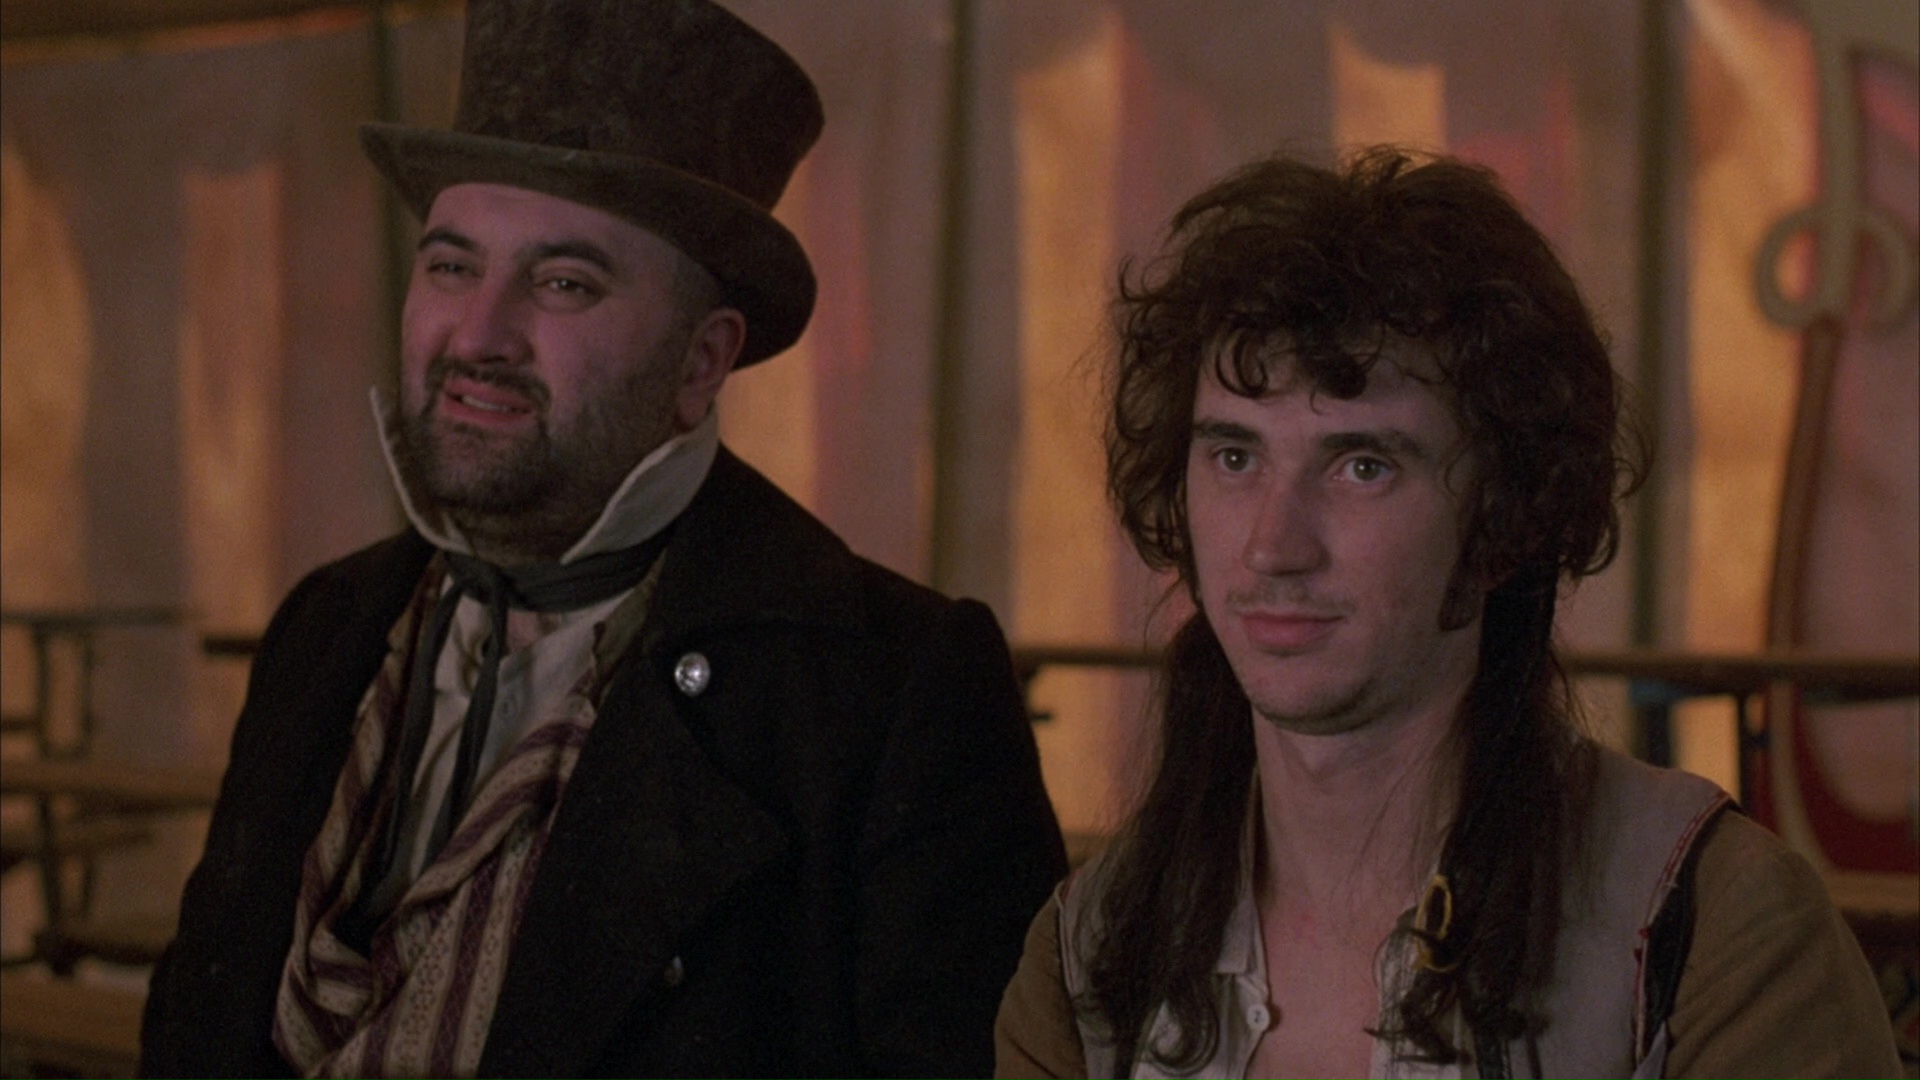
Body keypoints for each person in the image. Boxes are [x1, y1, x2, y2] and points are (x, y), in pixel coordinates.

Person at [140, 1, 1067, 1077]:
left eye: (564, 283)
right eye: (451, 266)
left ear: (701, 362)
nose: (478, 335)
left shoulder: (889, 693)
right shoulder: (328, 626)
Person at [994, 148, 1899, 1080]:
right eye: (1235, 457)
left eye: (1363, 467)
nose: (1273, 546)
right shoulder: (1090, 957)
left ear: (1507, 518)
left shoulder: (1712, 929)